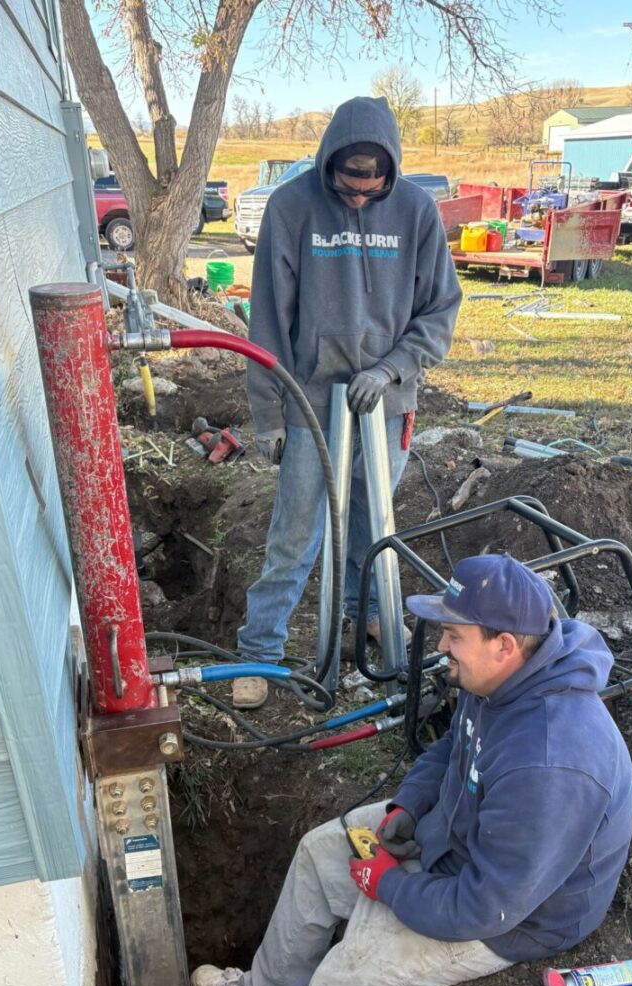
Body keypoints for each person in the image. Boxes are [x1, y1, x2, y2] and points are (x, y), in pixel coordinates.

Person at [183, 555, 632, 986]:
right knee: (324, 852)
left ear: (504, 645)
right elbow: (454, 748)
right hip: (460, 832)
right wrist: (408, 808)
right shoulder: (504, 682)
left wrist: (389, 884)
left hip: (516, 916)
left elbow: (484, 907)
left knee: (349, 974)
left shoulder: (550, 762)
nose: (443, 648)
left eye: (455, 636)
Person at [232, 96, 462, 709]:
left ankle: (367, 618)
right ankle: (259, 650)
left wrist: (392, 370)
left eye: (372, 187)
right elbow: (269, 324)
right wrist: (268, 414)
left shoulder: (416, 211)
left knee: (372, 523)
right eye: (347, 183)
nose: (358, 196)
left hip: (384, 402)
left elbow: (440, 310)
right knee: (296, 532)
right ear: (330, 162)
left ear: (390, 172)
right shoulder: (291, 207)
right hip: (313, 401)